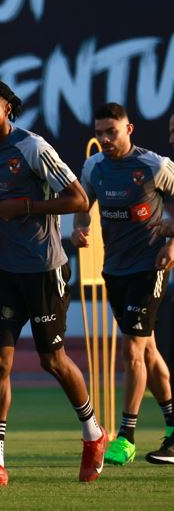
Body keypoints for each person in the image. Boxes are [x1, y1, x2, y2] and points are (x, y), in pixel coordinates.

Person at [0, 80, 103, 486]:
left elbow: (78, 199)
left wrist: (25, 206)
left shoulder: (32, 148)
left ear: (9, 109)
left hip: (44, 269)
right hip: (5, 270)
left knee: (51, 360)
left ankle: (93, 433)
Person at [73, 102, 174, 466]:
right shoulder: (94, 167)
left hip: (149, 267)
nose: (104, 139)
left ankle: (126, 436)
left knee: (132, 350)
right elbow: (84, 202)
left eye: (111, 132)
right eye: (99, 132)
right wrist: (80, 227)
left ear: (128, 130)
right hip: (113, 269)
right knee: (147, 351)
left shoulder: (154, 166)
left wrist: (171, 242)